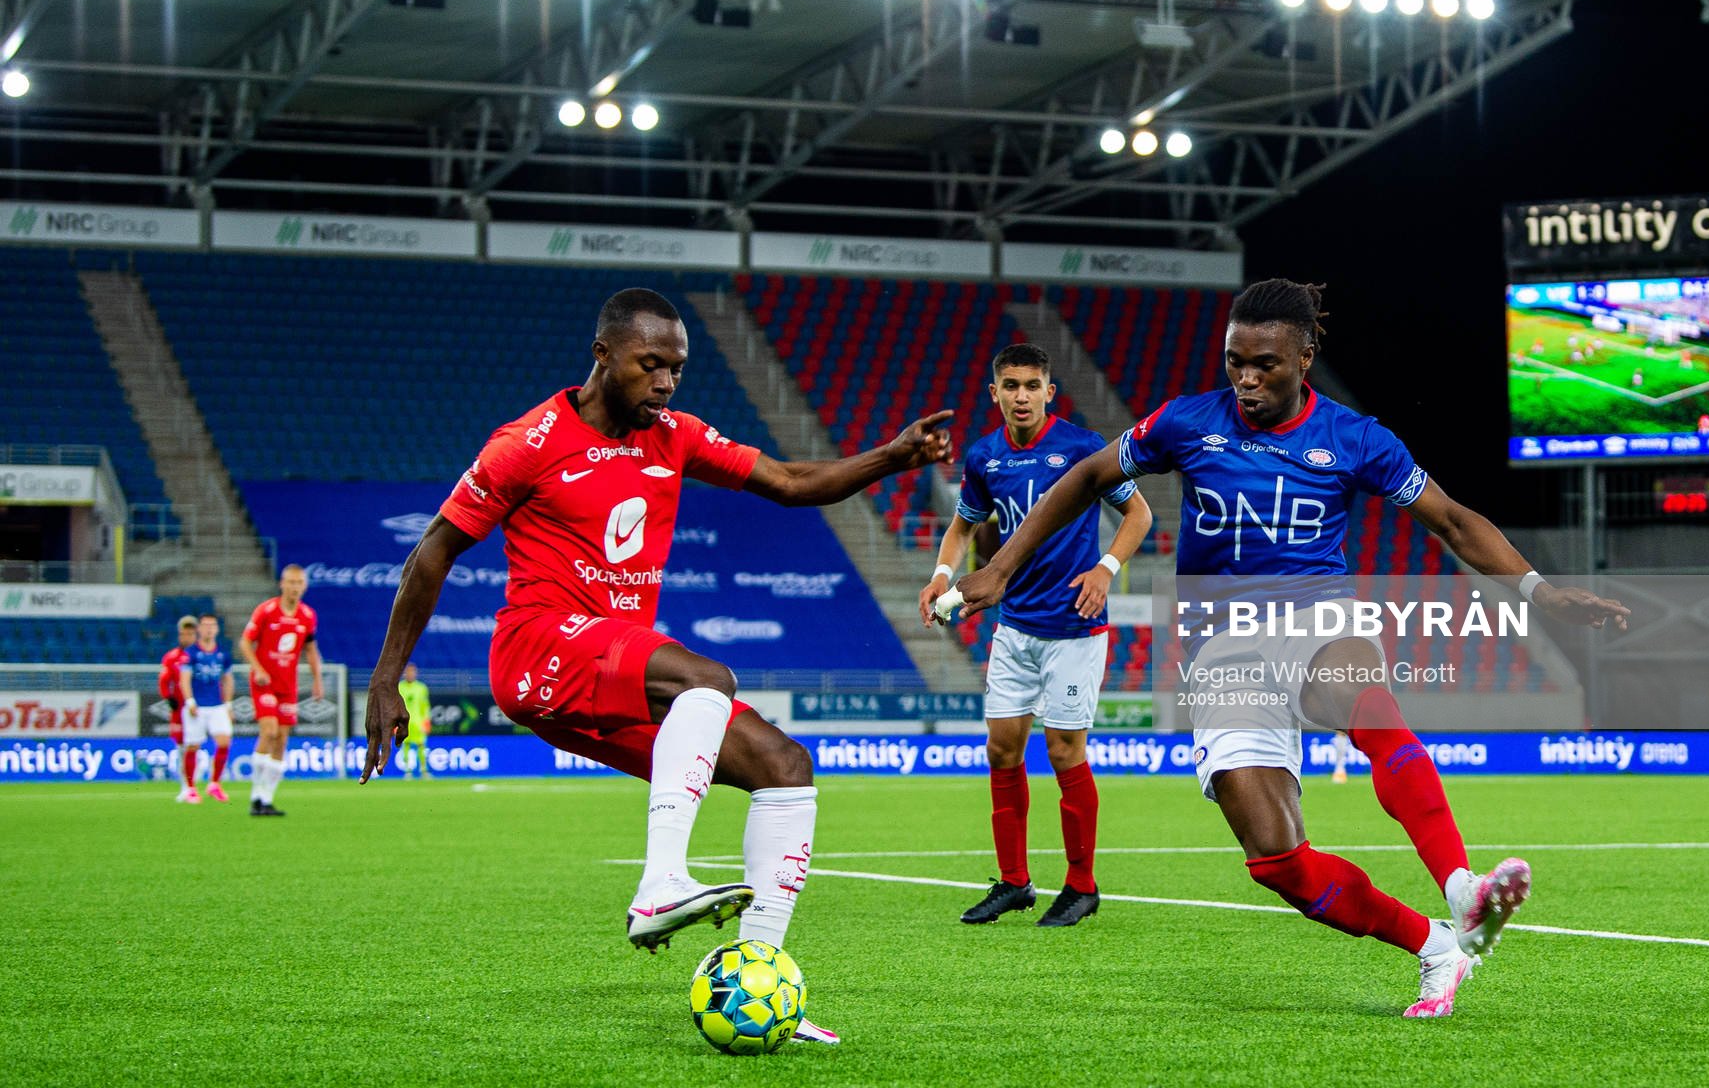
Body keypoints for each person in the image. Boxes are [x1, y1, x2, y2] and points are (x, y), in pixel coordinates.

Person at [955, 279, 1629, 1018]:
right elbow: (1087, 476)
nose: (1246, 378)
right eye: (1234, 361)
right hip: (1220, 649)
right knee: (1276, 860)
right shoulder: (1185, 422)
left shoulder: (1354, 437)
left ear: (1305, 358)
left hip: (1315, 617)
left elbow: (1453, 521)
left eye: (1265, 364)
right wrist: (1001, 565)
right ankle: (1438, 947)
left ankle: (1462, 888)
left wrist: (1541, 592)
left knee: (1365, 707)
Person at [360, 287, 955, 1047]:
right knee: (707, 679)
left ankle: (758, 982)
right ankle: (660, 885)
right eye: (651, 365)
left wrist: (892, 457)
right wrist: (386, 677)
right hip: (537, 648)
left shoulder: (674, 435)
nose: (666, 383)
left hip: (611, 669)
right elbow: (431, 552)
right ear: (603, 354)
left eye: (676, 368)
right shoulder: (528, 442)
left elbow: (790, 483)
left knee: (784, 765)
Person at [919, 342, 1152, 928]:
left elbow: (1140, 514)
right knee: (1002, 749)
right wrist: (942, 575)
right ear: (994, 393)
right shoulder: (985, 456)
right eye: (1010, 386)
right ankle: (1014, 882)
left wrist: (1106, 569)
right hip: (1014, 627)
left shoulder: (1081, 448)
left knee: (1064, 750)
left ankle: (1081, 886)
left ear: (1050, 391)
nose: (1021, 396)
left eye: (1031, 386)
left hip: (1073, 628)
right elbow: (962, 526)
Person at [237, 565, 324, 817]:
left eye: (299, 583)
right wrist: (258, 669)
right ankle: (255, 796)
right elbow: (245, 643)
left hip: (288, 684)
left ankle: (266, 798)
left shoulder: (307, 615)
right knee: (269, 731)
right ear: (282, 584)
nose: (295, 587)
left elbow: (310, 650)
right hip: (264, 682)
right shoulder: (266, 610)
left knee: (282, 740)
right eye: (291, 582)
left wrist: (318, 680)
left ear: (304, 586)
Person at [179, 614, 236, 805]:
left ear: (217, 629)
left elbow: (228, 679)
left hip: (217, 705)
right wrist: (190, 702)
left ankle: (214, 784)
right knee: (193, 746)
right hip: (197, 706)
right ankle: (191, 788)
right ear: (199, 629)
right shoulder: (191, 653)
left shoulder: (223, 654)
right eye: (205, 625)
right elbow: (184, 679)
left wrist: (228, 705)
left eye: (212, 625)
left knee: (224, 742)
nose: (209, 629)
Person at [157, 614, 198, 800]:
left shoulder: (201, 656)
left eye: (190, 634)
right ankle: (186, 786)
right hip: (180, 709)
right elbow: (163, 680)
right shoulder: (172, 658)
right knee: (182, 748)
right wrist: (168, 698)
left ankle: (196, 784)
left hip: (200, 709)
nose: (186, 637)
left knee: (195, 746)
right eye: (183, 634)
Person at [397, 663, 432, 778]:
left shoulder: (421, 688)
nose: (410, 674)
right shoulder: (399, 687)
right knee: (406, 745)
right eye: (408, 672)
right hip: (404, 722)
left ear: (416, 673)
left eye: (412, 672)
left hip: (418, 722)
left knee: (421, 745)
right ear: (404, 673)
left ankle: (424, 770)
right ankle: (407, 771)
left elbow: (425, 706)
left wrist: (426, 721)